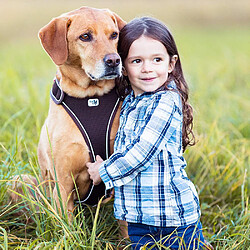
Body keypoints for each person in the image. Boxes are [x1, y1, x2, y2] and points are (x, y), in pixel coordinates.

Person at [87, 17, 208, 249]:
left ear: (171, 64)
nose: (147, 68)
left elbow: (141, 152)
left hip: (172, 218)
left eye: (157, 59)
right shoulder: (132, 101)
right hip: (138, 219)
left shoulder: (166, 101)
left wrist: (103, 171)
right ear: (123, 65)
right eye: (137, 61)